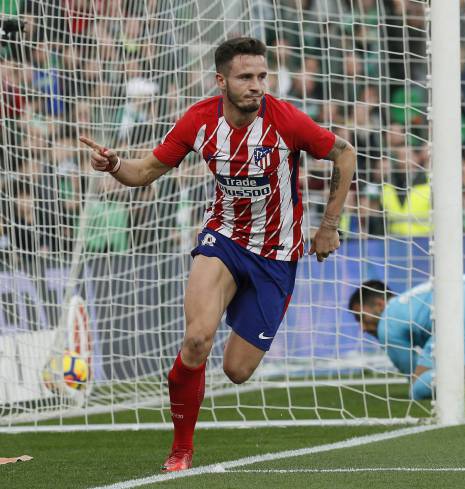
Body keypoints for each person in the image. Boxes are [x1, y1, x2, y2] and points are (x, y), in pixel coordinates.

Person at [80, 37, 356, 472]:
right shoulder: (199, 120)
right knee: (196, 339)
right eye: (245, 77)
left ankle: (237, 317)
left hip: (276, 253)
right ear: (220, 81)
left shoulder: (286, 120)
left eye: (262, 76)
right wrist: (114, 165)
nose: (256, 85)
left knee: (237, 371)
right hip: (223, 239)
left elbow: (344, 154)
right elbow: (145, 171)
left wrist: (328, 227)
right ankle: (181, 449)